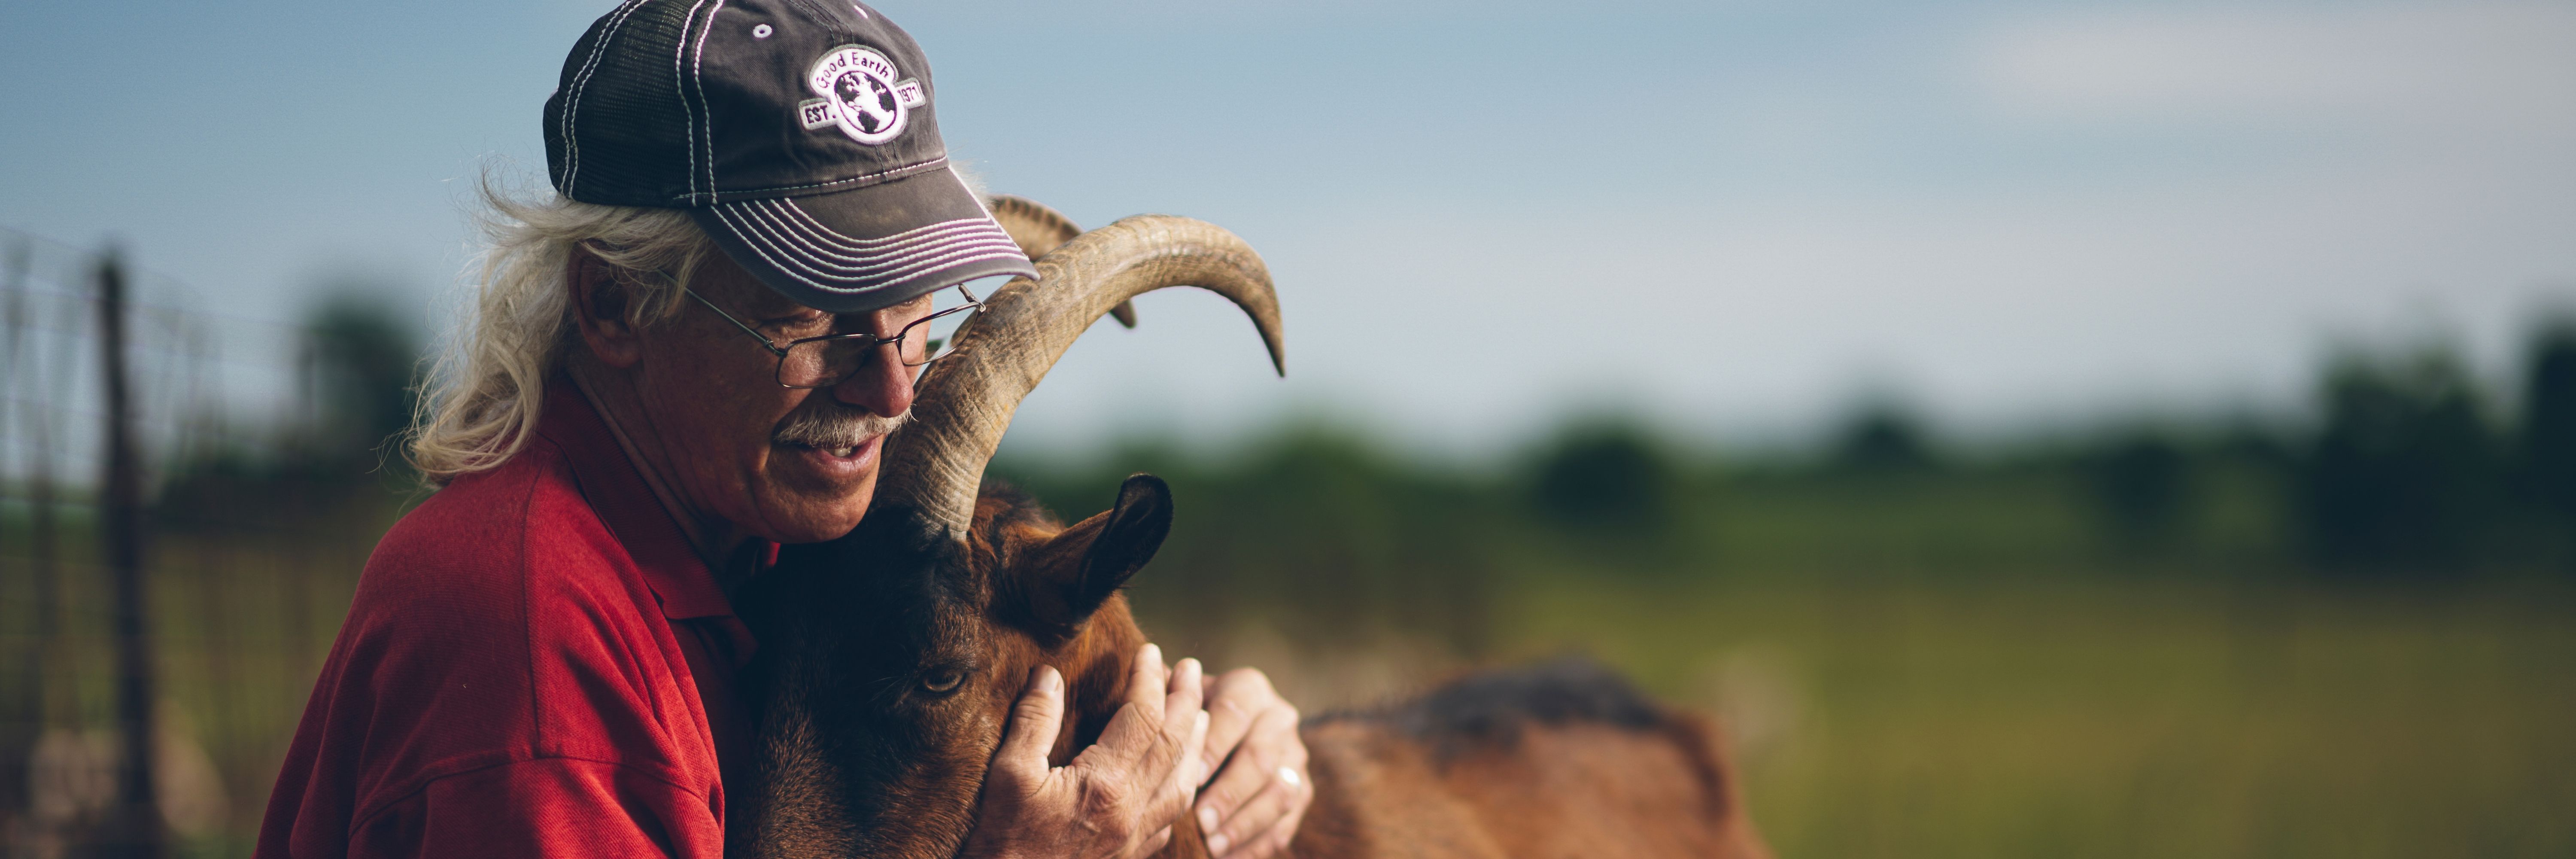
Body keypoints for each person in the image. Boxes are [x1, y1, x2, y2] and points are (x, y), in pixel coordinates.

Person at [252, 1, 1314, 856]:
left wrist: (1226, 725)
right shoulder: (539, 649)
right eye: (810, 312)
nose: (895, 395)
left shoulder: (761, 540)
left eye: (913, 316)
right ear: (617, 305)